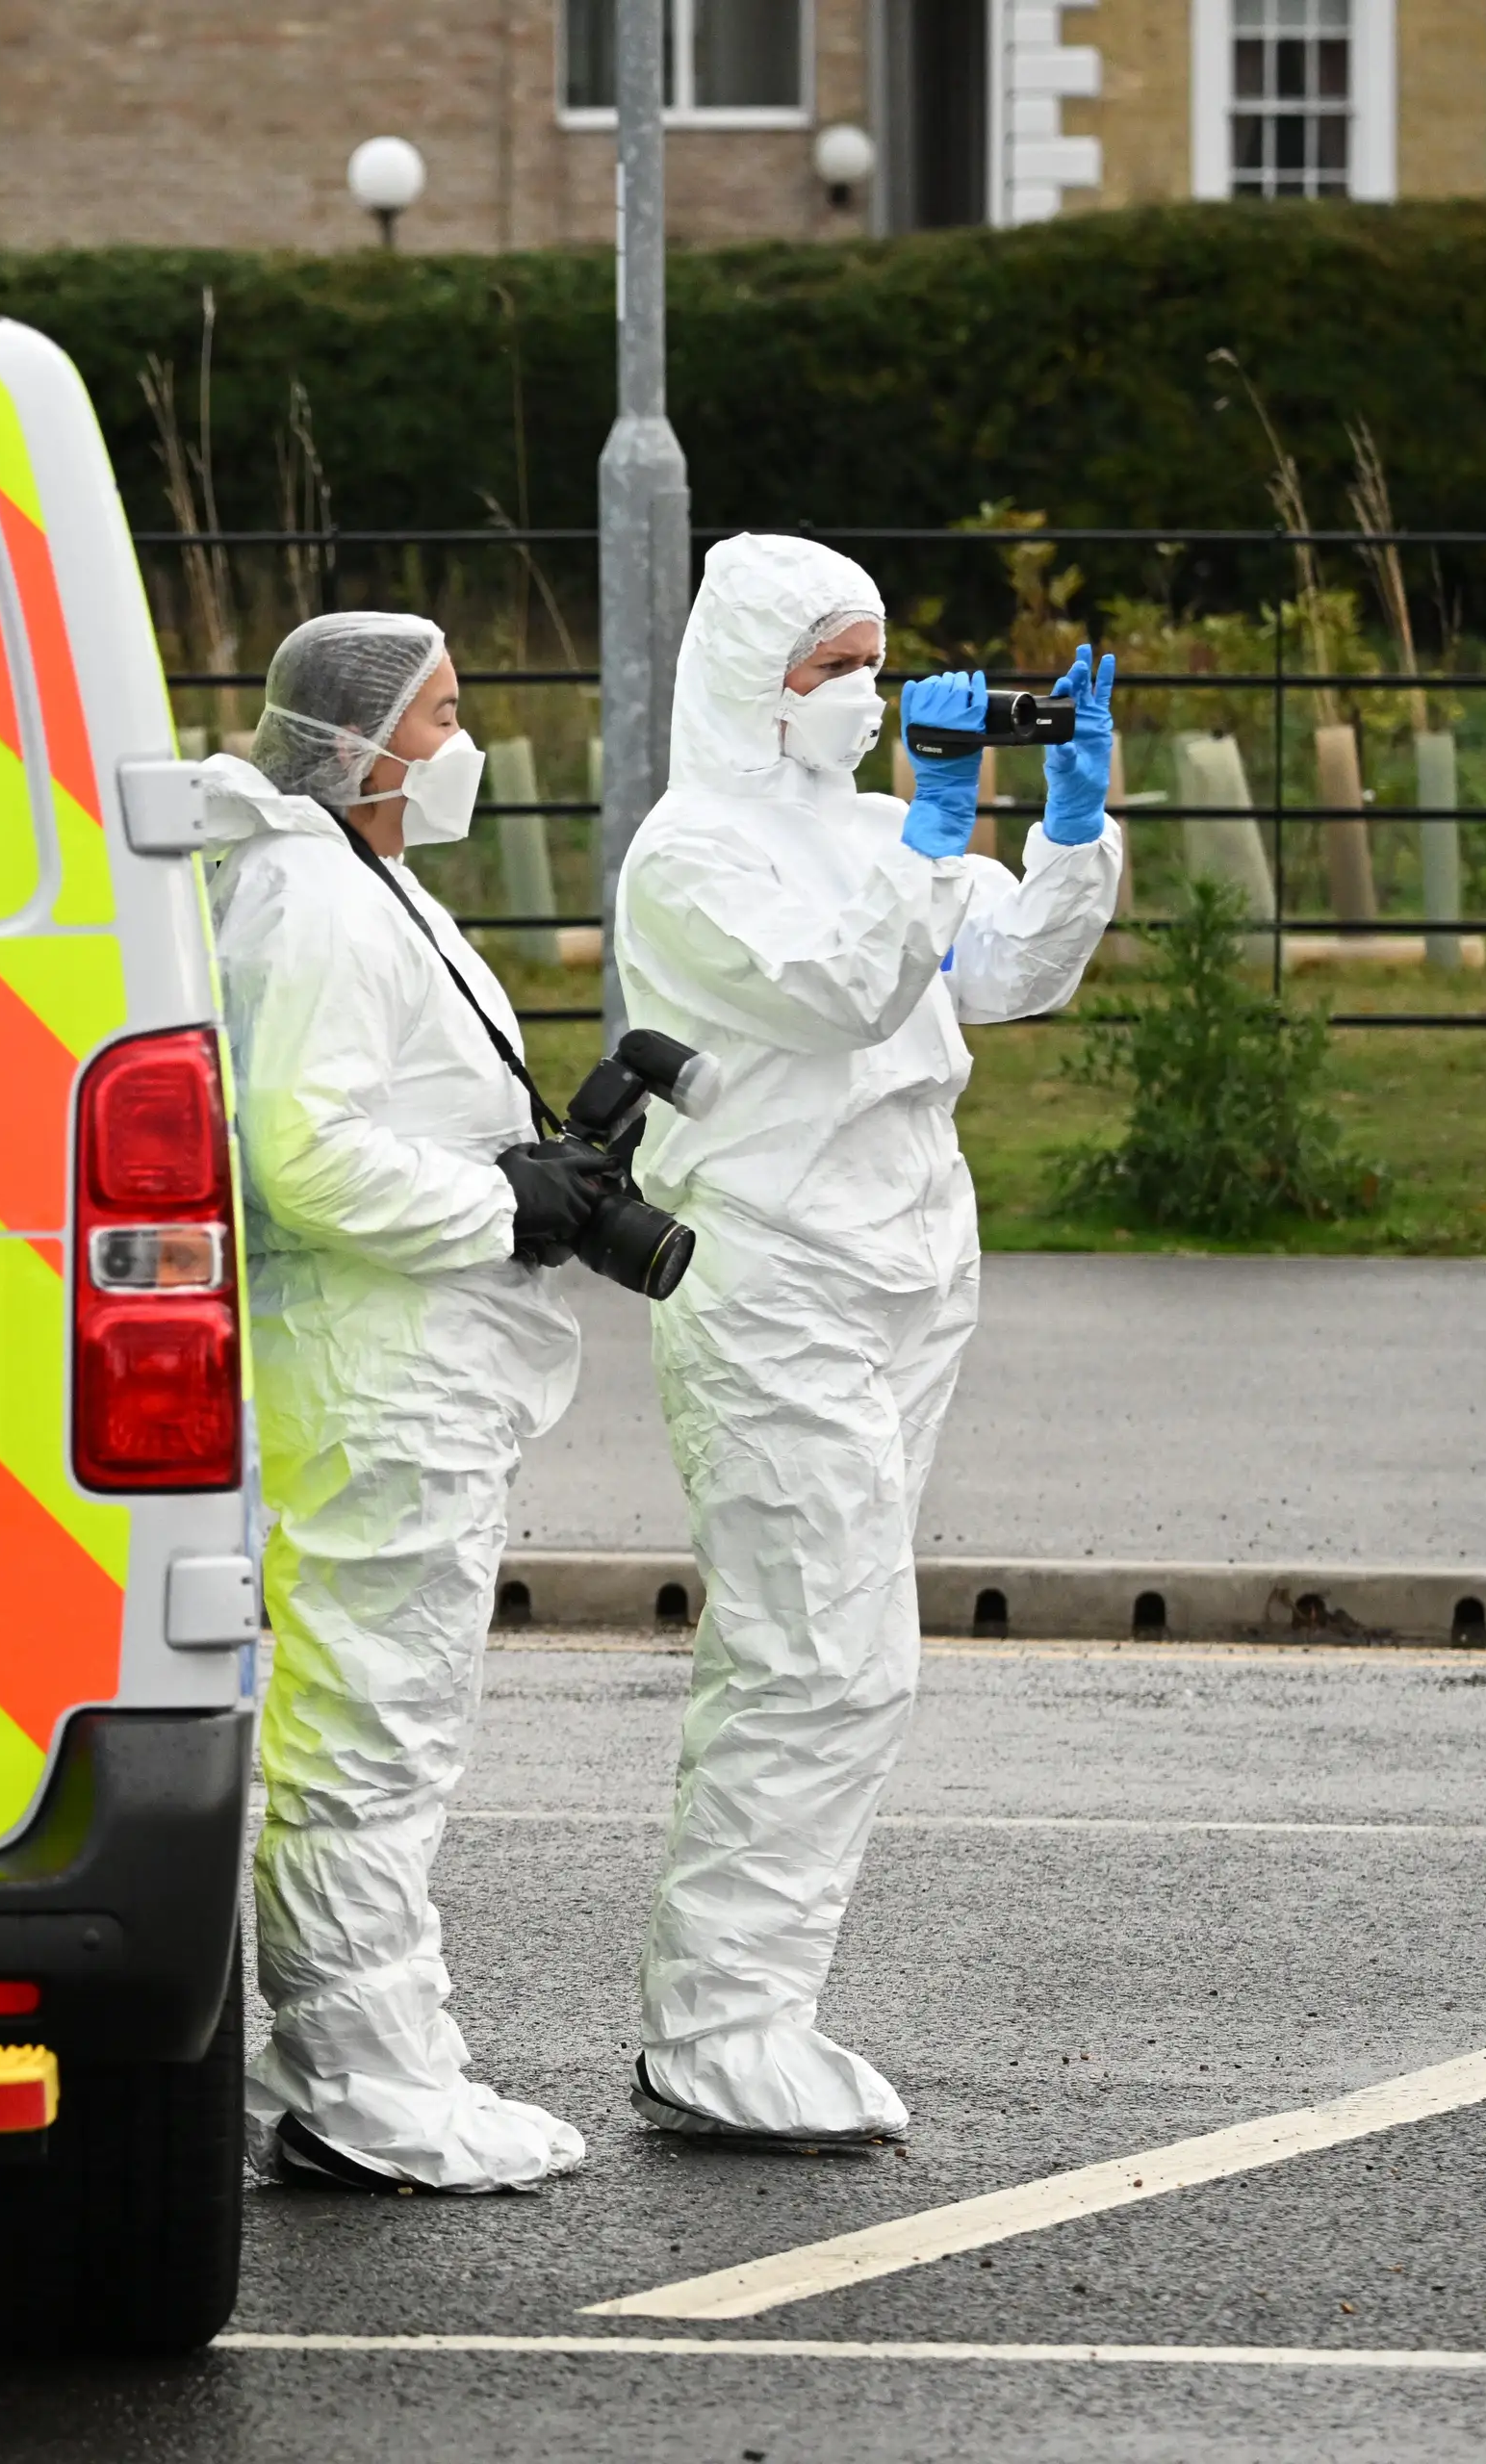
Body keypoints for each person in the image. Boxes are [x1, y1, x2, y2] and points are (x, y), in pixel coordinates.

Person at [612, 533, 1125, 2144]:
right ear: (749, 685)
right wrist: (932, 825)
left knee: (839, 1658)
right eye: (829, 667)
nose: (865, 693)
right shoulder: (690, 856)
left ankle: (757, 2010)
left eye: (874, 662)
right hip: (775, 1275)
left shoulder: (874, 830)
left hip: (908, 1263)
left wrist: (1072, 824)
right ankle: (718, 2028)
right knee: (820, 1656)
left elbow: (1016, 971)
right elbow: (837, 994)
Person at [207, 610, 622, 2193]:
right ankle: (356, 2083)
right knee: (366, 1732)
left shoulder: (370, 886)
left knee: (396, 1729)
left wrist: (530, 1177)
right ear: (368, 743)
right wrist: (500, 1206)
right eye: (444, 718)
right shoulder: (314, 898)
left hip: (412, 1371)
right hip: (375, 1377)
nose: (465, 746)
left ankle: (388, 2050)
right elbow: (297, 1152)